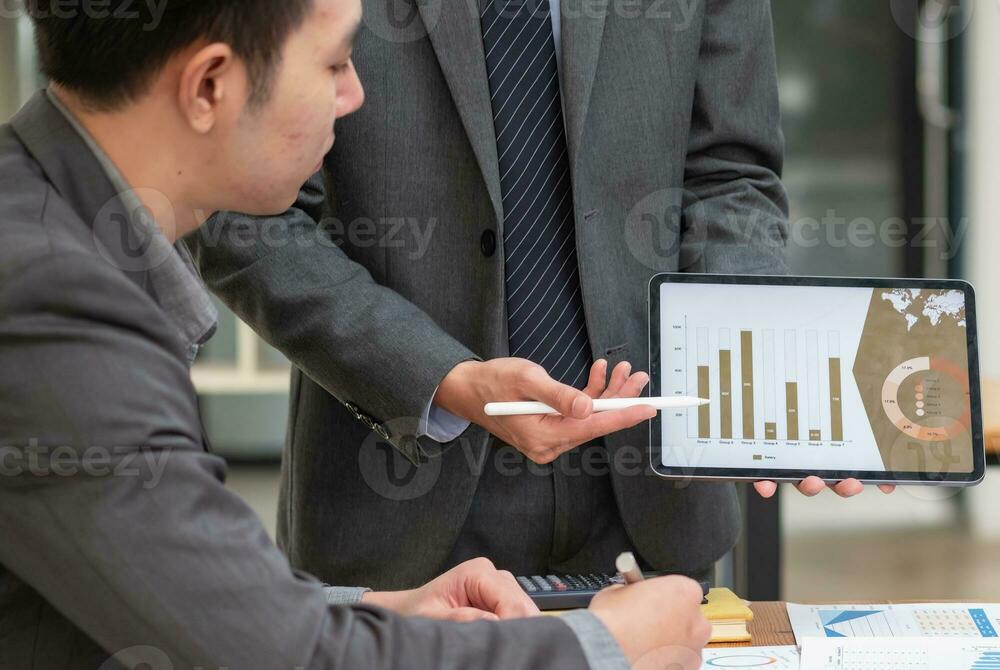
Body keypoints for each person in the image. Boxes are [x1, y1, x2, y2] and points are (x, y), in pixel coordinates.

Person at [0, 1, 707, 670]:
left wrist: (369, 610)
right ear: (209, 86)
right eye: (333, 63)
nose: (357, 93)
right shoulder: (50, 299)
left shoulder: (49, 229)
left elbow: (139, 576)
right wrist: (602, 655)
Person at [191, 0, 893, 604]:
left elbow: (730, 174)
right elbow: (238, 211)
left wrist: (750, 357)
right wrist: (441, 378)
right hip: (401, 491)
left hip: (649, 490)